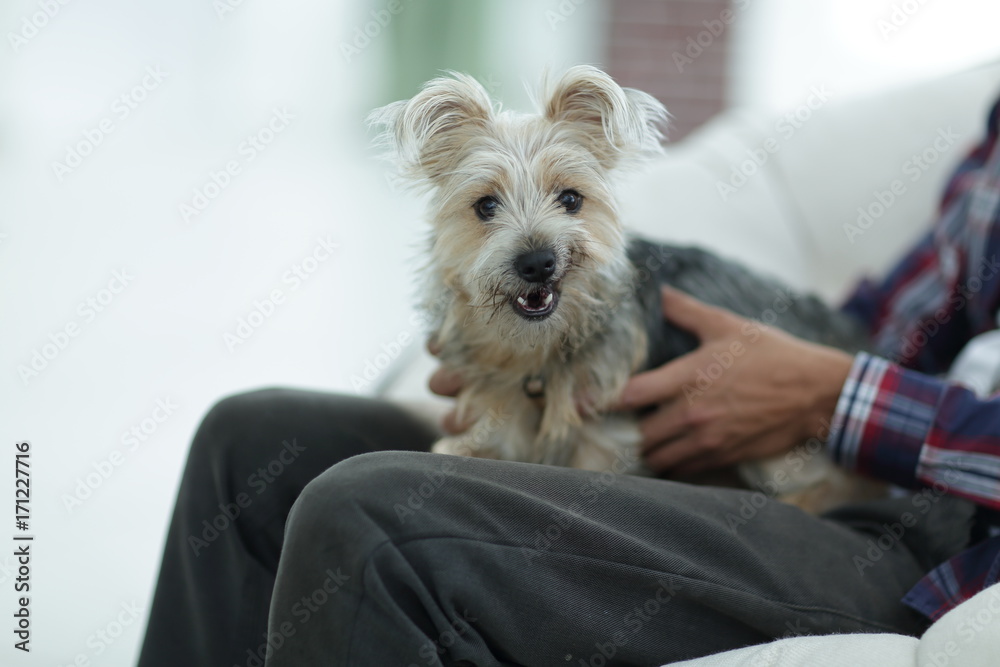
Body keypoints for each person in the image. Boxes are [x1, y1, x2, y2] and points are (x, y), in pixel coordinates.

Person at [137, 98, 1000, 667]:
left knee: (371, 514)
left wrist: (832, 397)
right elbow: (895, 321)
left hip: (918, 530)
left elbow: (850, 373)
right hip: (807, 445)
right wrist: (750, 345)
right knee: (246, 439)